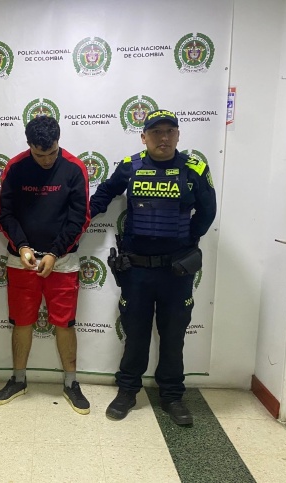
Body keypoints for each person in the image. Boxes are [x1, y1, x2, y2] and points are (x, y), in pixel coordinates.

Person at [89, 110, 217, 426]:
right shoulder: (130, 166)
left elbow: (207, 212)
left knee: (173, 336)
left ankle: (172, 396)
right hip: (137, 271)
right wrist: (81, 216)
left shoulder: (195, 168)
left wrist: (186, 241)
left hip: (177, 271)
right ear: (144, 137)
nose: (163, 138)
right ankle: (127, 391)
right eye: (156, 132)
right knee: (136, 333)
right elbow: (104, 193)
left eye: (169, 131)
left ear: (178, 135)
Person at [0, 116, 91, 415]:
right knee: (22, 321)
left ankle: (71, 383)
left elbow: (79, 218)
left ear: (59, 141)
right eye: (39, 154)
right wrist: (22, 246)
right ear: (29, 146)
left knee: (64, 323)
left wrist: (54, 252)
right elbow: (5, 214)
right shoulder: (16, 167)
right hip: (21, 259)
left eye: (51, 153)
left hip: (62, 260)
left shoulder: (74, 168)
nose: (46, 160)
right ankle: (18, 380)